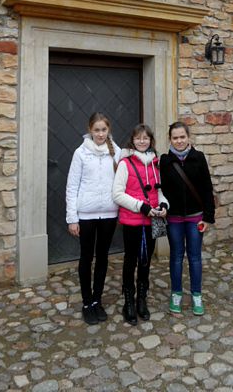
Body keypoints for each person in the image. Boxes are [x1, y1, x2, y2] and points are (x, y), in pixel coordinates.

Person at [66, 112, 121, 325]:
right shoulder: (80, 153)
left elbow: (122, 182)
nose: (100, 134)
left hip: (109, 214)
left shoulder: (116, 152)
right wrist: (72, 218)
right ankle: (87, 302)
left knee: (103, 257)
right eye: (96, 130)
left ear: (108, 130)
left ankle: (97, 300)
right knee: (86, 257)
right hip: (86, 215)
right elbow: (72, 187)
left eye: (103, 130)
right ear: (90, 130)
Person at [112, 124, 168, 325]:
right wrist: (141, 207)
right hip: (133, 221)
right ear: (132, 140)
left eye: (145, 138)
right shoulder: (125, 164)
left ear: (150, 140)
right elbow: (117, 194)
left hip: (151, 221)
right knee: (131, 261)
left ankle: (141, 299)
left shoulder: (156, 163)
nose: (142, 141)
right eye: (138, 138)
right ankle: (128, 301)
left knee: (145, 261)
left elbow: (159, 191)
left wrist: (164, 205)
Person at [159, 121, 215, 316]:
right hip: (174, 218)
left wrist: (208, 217)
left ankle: (196, 294)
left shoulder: (198, 158)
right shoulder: (165, 161)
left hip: (195, 217)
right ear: (170, 139)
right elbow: (160, 189)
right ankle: (176, 293)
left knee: (195, 256)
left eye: (182, 137)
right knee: (176, 256)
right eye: (175, 138)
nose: (179, 141)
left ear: (188, 137)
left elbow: (207, 189)